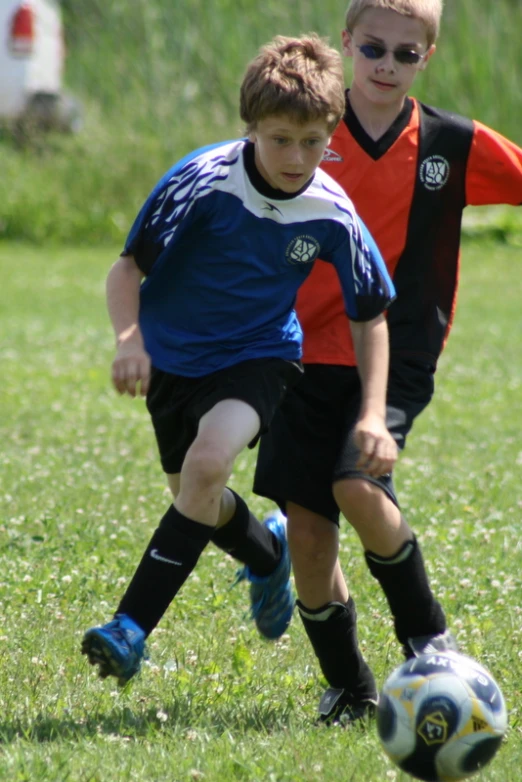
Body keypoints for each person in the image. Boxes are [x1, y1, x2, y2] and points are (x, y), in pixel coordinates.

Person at [80, 32, 397, 686]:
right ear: (250, 127)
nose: (297, 157)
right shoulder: (202, 182)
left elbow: (371, 313)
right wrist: (129, 341)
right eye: (280, 138)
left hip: (260, 355)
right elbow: (126, 269)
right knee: (198, 496)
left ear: (331, 134)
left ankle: (129, 627)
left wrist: (372, 412)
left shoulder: (331, 210)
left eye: (314, 143)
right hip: (169, 359)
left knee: (207, 463)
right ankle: (266, 549)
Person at [254, 0, 522, 726]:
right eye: (373, 48)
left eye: (407, 54)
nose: (386, 65)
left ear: (426, 58)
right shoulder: (305, 128)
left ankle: (431, 644)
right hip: (292, 352)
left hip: (394, 355)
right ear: (346, 43)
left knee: (360, 487)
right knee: (309, 533)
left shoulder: (452, 142)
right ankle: (349, 686)